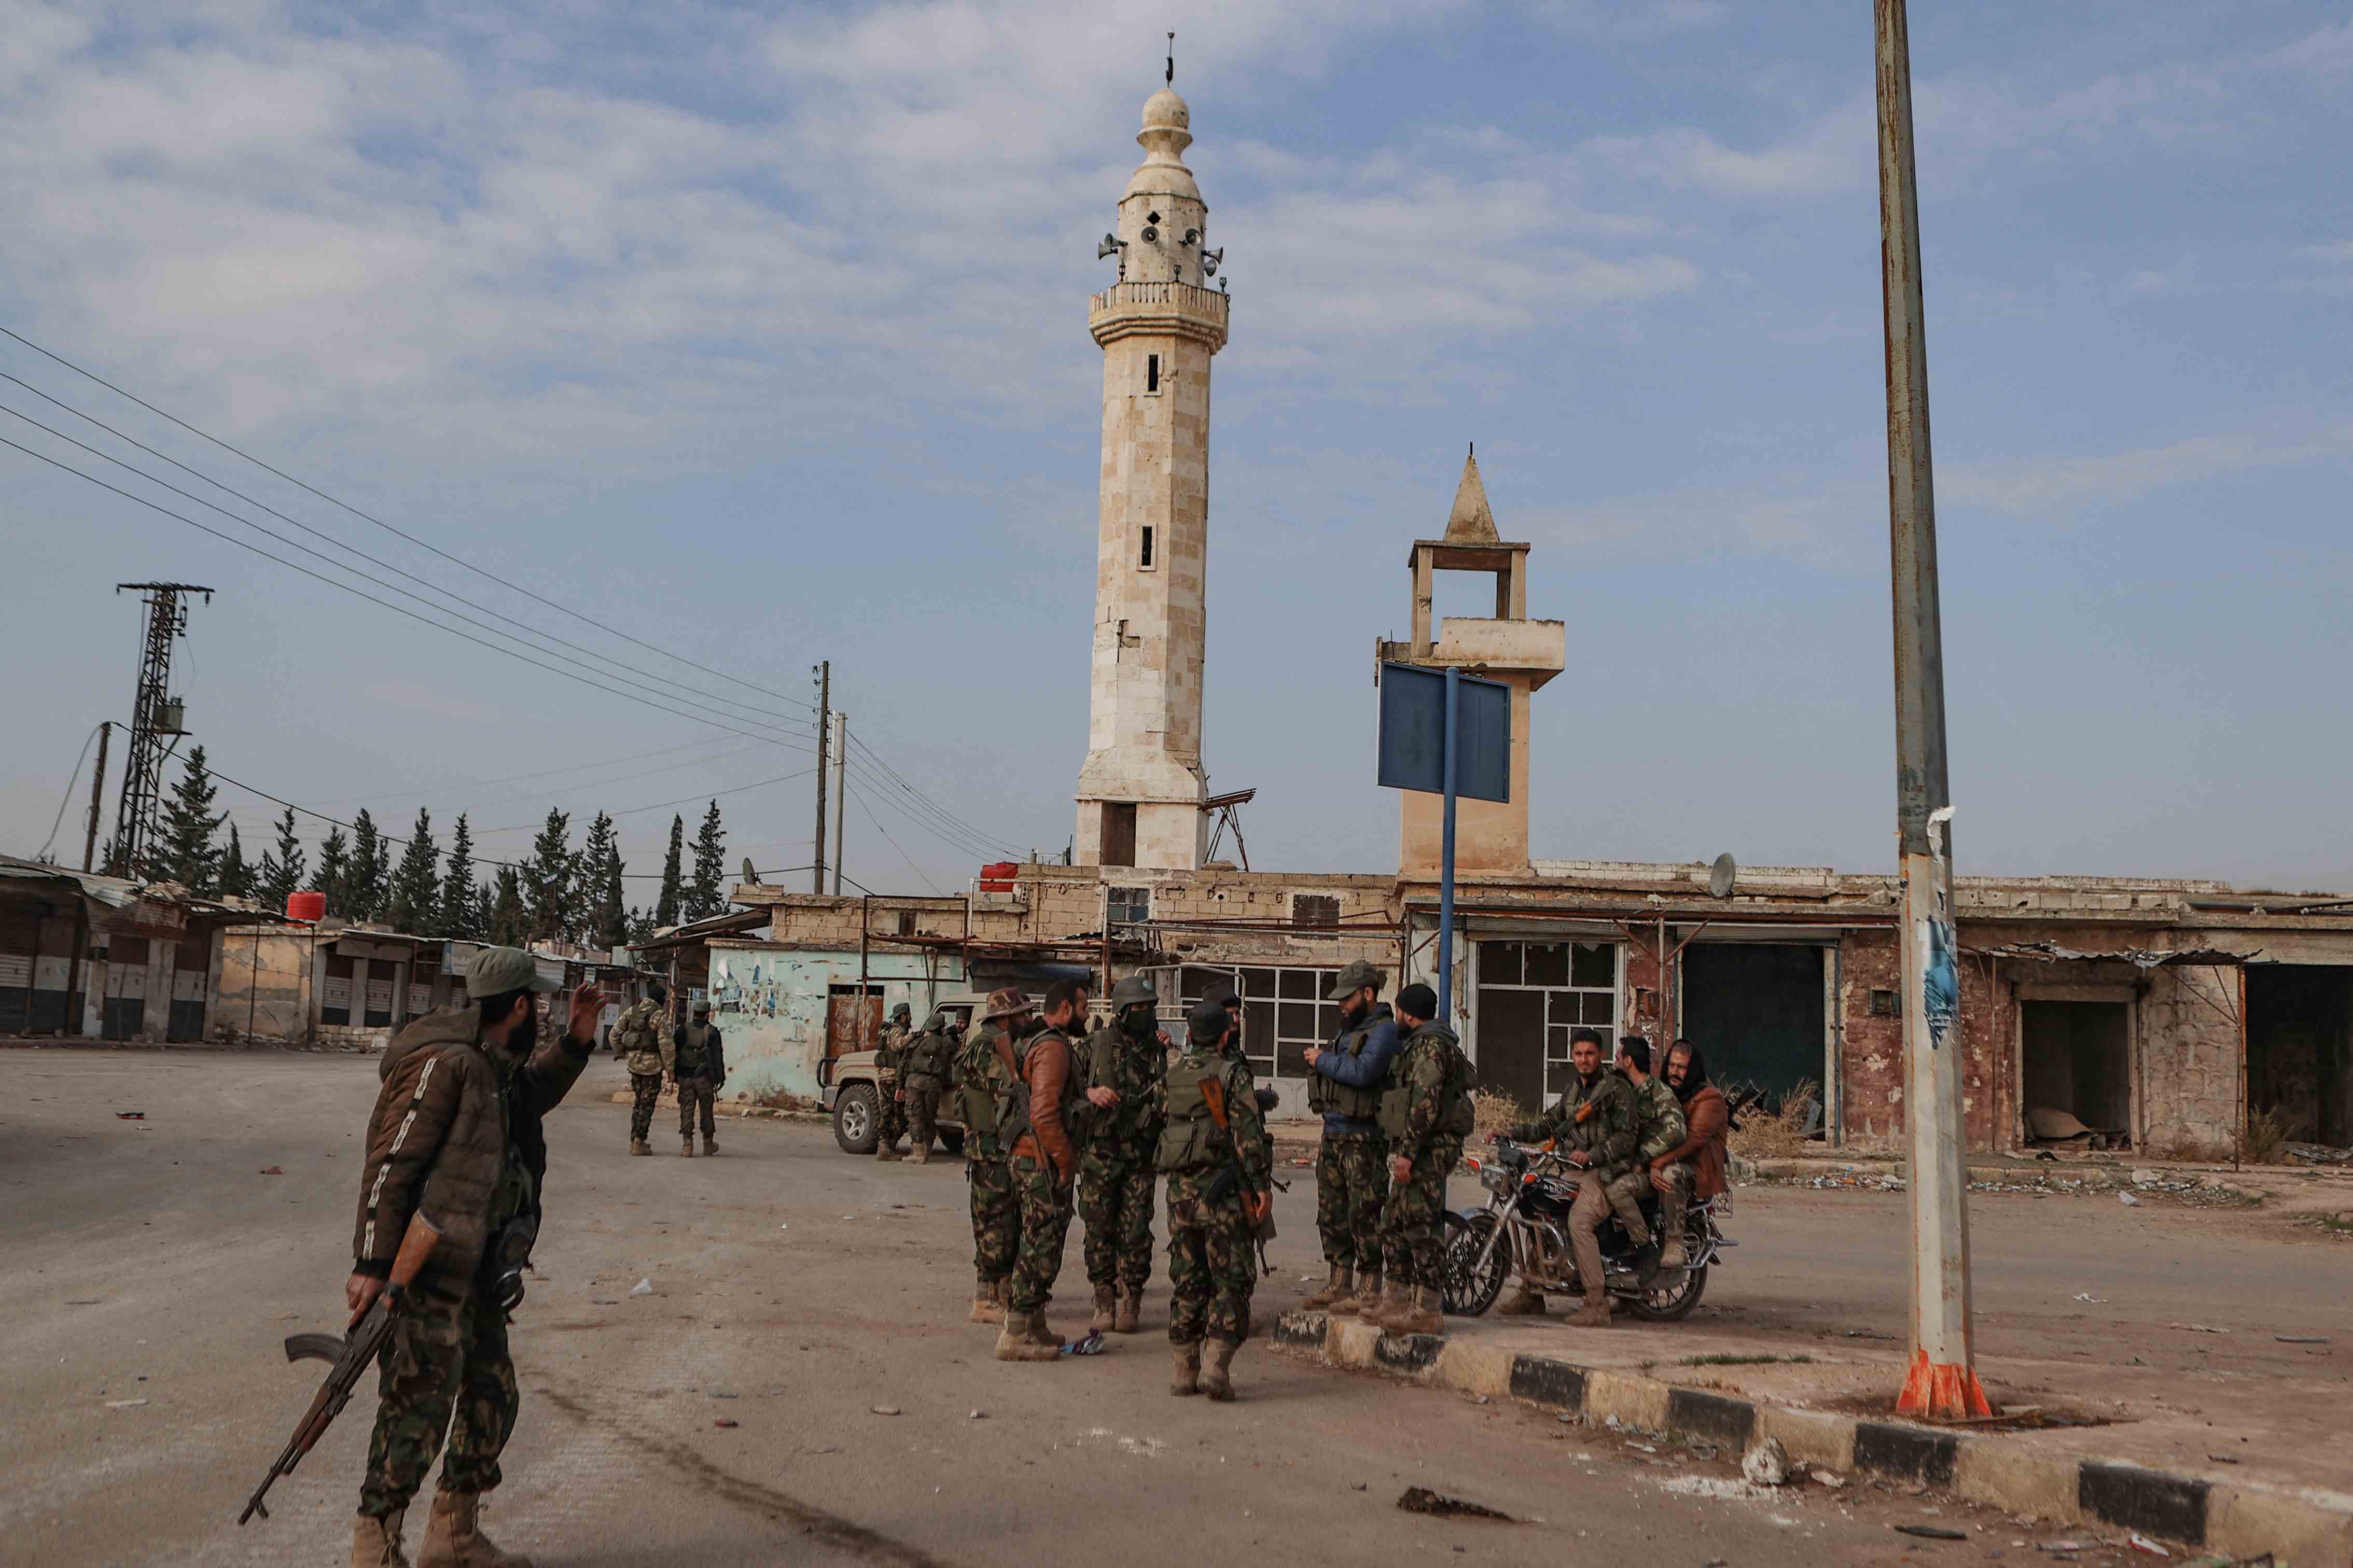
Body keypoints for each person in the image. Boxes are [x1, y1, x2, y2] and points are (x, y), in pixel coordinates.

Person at [345, 946, 603, 1568]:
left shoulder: (495, 1066)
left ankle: (452, 1536)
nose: (539, 1012)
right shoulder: (445, 1066)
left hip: (480, 1269)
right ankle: (374, 1545)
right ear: (517, 1006)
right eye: (537, 1005)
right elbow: (390, 1164)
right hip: (426, 1269)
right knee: (417, 1408)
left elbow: (530, 1093)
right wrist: (373, 1265)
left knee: (492, 1393)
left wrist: (575, 1041)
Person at [1155, 996, 1272, 1399]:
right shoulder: (1231, 1073)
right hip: (1222, 1194)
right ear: (1225, 1036)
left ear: (1188, 1035)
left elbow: (1160, 1118)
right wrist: (1261, 1186)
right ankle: (1216, 1367)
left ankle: (1182, 1370)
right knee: (1231, 1278)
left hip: (1180, 1196)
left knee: (1187, 1278)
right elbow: (1248, 1136)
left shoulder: (1171, 1072)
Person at [1502, 1027, 1637, 1326]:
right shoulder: (1573, 1090)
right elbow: (1549, 1123)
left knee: (1580, 1221)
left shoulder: (1617, 1091)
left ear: (1600, 1055)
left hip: (1603, 1173)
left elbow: (1628, 1138)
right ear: (1572, 1055)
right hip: (1570, 1170)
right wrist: (1512, 1132)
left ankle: (1597, 1303)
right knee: (1533, 1204)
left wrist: (1593, 1155)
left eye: (1590, 1054)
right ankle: (1532, 1291)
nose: (1584, 1060)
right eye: (1578, 1054)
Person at [1368, 983, 1475, 1334]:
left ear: (1409, 1013)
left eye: (1399, 1010)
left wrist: (1407, 1155)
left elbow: (1424, 1105)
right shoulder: (1420, 1044)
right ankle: (1397, 1298)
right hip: (1419, 1146)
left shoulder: (1430, 1048)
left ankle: (1428, 1308)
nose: (1396, 1016)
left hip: (1431, 1146)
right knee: (1393, 1219)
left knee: (1420, 1223)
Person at [995, 977, 1092, 1362]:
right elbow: (1044, 1113)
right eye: (1083, 1007)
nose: (1087, 1015)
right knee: (1041, 1246)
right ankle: (1016, 1333)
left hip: (1032, 1157)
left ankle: (1033, 1323)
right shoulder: (1052, 1048)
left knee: (1039, 1241)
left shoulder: (1040, 1043)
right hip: (1041, 1160)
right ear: (1065, 1009)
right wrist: (1066, 1163)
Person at [1298, 959, 1400, 1317]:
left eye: (1347, 998)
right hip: (1335, 1132)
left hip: (1364, 1139)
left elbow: (1363, 1072)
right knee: (1332, 1213)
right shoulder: (1349, 1029)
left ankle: (1369, 1287)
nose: (1341, 1004)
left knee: (1364, 1214)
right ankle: (1338, 1281)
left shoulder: (1384, 1030)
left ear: (1368, 993)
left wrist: (1322, 1060)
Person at [1080, 975, 1169, 1333]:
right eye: (1139, 1009)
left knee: (1136, 1232)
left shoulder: (1159, 1050)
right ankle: (1104, 1298)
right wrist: (1091, 1094)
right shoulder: (1094, 1045)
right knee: (1098, 1228)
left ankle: (1132, 1298)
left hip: (1140, 1157)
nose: (1145, 1014)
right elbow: (1066, 1088)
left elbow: (1172, 1091)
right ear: (1121, 1011)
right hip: (1100, 1154)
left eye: (1150, 1008)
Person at [959, 989, 1029, 1324]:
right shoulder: (984, 1046)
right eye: (1022, 1015)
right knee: (993, 1223)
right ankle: (983, 1298)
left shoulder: (1000, 1043)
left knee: (1008, 1221)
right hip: (988, 1150)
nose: (1027, 1020)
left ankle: (1002, 1291)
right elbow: (1004, 1080)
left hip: (1000, 1148)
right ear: (1004, 1018)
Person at [1604, 1035, 1686, 1265]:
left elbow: (1676, 1131)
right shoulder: (1621, 1091)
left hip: (1649, 1171)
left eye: (1619, 1057)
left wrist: (1645, 1157)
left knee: (1617, 1191)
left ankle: (1643, 1245)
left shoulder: (1659, 1093)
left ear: (1629, 1061)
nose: (1615, 1062)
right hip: (1625, 1165)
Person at [1651, 1040, 1729, 1271]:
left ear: (1693, 1069)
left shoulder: (1709, 1098)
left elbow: (1694, 1141)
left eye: (1682, 1067)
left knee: (1669, 1175)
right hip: (1668, 1156)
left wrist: (1659, 1161)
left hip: (1697, 1166)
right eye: (1672, 1066)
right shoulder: (1665, 1092)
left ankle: (1675, 1242)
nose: (1675, 1072)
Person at [612, 983, 669, 1156]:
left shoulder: (633, 1011)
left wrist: (622, 1053)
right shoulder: (659, 1015)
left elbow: (614, 1034)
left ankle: (634, 1140)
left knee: (638, 1102)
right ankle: (639, 1141)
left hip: (634, 1065)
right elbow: (666, 1045)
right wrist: (671, 1068)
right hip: (652, 1067)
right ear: (661, 1000)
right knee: (647, 1104)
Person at [666, 1002, 727, 1157]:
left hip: (685, 1078)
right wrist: (720, 1078)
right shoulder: (712, 1033)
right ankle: (708, 1144)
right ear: (708, 1014)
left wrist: (674, 1074)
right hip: (704, 1079)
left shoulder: (682, 1031)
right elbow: (717, 1057)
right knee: (706, 1110)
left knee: (687, 1110)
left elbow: (673, 1052)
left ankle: (687, 1145)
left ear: (694, 1013)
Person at [899, 1007, 956, 1164]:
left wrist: (900, 1086)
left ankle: (918, 1152)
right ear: (942, 1028)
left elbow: (903, 1064)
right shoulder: (948, 1044)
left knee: (914, 1115)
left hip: (914, 1082)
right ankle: (927, 1150)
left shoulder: (918, 1042)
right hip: (934, 1084)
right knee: (929, 1117)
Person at [873, 1002, 913, 1161]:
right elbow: (898, 1046)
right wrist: (914, 1036)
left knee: (888, 1113)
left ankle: (885, 1147)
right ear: (904, 1017)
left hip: (885, 1077)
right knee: (898, 1114)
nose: (910, 1018)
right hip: (892, 1078)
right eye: (909, 1016)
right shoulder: (897, 1031)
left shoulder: (887, 1030)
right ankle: (886, 1147)